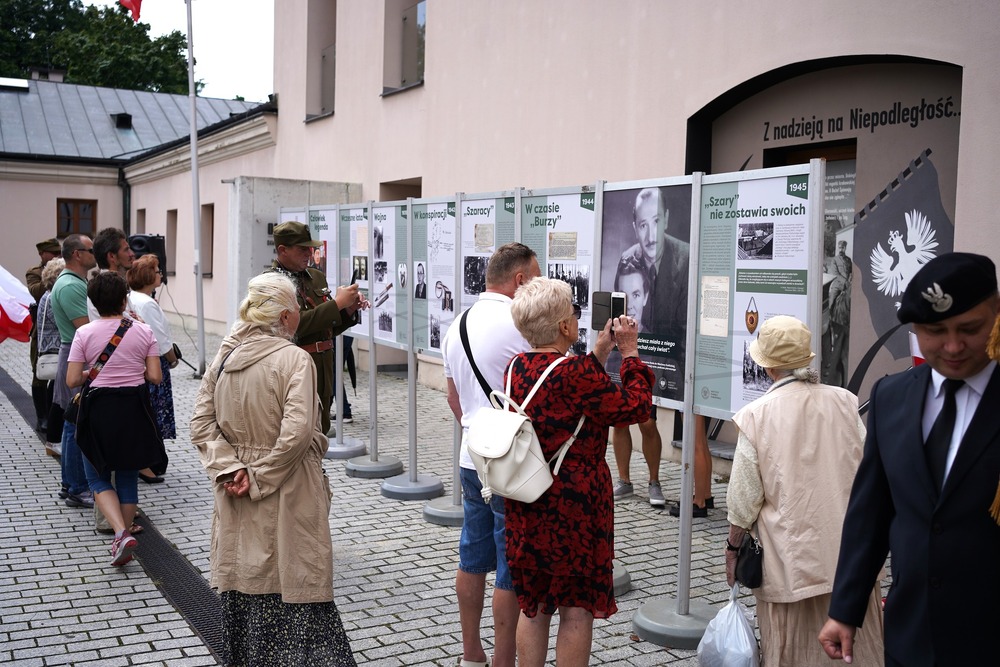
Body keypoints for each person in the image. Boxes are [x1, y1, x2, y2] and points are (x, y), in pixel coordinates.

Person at [819, 252, 1000, 666]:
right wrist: (844, 610)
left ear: (997, 313)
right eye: (935, 332)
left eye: (970, 329)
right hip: (912, 637)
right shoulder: (891, 396)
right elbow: (872, 511)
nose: (953, 347)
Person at [190, 272, 357, 666]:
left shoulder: (225, 356)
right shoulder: (295, 359)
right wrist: (257, 478)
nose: (301, 314)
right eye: (298, 308)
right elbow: (298, 434)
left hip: (238, 494)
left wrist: (231, 470)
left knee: (247, 590)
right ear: (284, 317)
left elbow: (200, 423)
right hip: (287, 489)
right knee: (296, 590)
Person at [505, 277, 653, 666]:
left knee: (534, 607)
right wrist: (631, 353)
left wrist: (599, 352)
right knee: (576, 609)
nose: (577, 315)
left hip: (528, 498)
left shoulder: (516, 367)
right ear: (564, 327)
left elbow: (567, 393)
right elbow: (635, 407)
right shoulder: (574, 374)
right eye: (574, 310)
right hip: (576, 508)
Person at [724, 315, 884, 665]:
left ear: (767, 367)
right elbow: (870, 474)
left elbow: (742, 502)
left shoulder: (756, 415)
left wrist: (732, 549)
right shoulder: (844, 401)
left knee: (792, 654)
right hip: (850, 558)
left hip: (789, 564)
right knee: (859, 652)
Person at [441, 242, 541, 667]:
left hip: (471, 454)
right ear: (519, 280)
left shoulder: (456, 323)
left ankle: (471, 654)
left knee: (472, 554)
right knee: (510, 564)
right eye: (535, 278)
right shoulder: (521, 321)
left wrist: (476, 430)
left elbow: (453, 398)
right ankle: (504, 660)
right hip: (511, 462)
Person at [66, 272, 164, 567]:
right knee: (126, 475)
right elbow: (156, 377)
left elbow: (72, 380)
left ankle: (120, 533)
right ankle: (125, 531)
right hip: (133, 409)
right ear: (124, 300)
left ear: (93, 302)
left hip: (98, 411)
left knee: (97, 477)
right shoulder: (144, 331)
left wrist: (92, 373)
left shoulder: (84, 334)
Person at [265, 221, 368, 436]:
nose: (310, 253)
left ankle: (315, 469)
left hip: (324, 367)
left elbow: (326, 328)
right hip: (295, 368)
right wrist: (337, 304)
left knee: (320, 428)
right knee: (297, 431)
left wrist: (347, 311)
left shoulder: (316, 277)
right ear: (282, 250)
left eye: (311, 248)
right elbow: (293, 327)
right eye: (302, 248)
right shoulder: (271, 284)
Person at [610, 254, 665, 506]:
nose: (630, 304)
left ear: (644, 296)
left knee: (647, 424)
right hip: (618, 370)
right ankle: (625, 481)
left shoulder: (653, 337)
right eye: (623, 295)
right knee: (619, 424)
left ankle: (654, 482)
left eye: (635, 294)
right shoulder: (610, 338)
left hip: (643, 368)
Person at [50, 234, 98, 508]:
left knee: (73, 421)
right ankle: (77, 488)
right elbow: (85, 327)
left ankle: (71, 484)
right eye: (90, 250)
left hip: (74, 354)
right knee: (75, 423)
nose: (95, 254)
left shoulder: (73, 283)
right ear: (78, 254)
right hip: (75, 355)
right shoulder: (70, 285)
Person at [126, 254, 178, 483]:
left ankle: (149, 459)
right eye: (157, 271)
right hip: (153, 363)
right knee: (153, 413)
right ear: (148, 275)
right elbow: (159, 339)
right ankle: (148, 461)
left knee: (147, 413)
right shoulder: (146, 302)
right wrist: (172, 358)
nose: (161, 274)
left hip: (141, 364)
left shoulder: (133, 298)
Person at [27, 238, 62, 432]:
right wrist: (51, 274)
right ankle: (42, 417)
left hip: (61, 330)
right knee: (40, 374)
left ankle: (51, 412)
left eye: (59, 253)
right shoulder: (34, 273)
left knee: (57, 374)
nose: (57, 256)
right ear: (42, 255)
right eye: (53, 253)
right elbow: (36, 292)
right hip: (40, 334)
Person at [37, 257, 66, 458]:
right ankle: (54, 441)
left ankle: (53, 439)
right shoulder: (53, 297)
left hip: (51, 349)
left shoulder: (47, 296)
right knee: (58, 397)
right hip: (56, 350)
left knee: (54, 392)